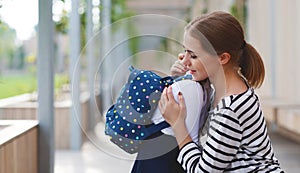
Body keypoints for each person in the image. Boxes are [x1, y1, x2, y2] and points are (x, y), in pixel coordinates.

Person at [159, 11, 284, 172]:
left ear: (223, 58)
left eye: (194, 55)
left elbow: (202, 171)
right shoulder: (223, 89)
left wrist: (178, 125)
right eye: (185, 52)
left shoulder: (230, 109)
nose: (184, 60)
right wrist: (180, 79)